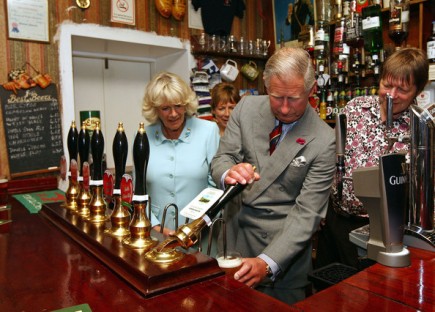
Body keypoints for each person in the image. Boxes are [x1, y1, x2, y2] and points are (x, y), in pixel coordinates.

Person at [211, 47, 336, 305]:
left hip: (282, 259)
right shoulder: (246, 108)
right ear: (267, 87)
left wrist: (268, 263)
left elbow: (307, 214)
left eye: (295, 98)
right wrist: (229, 173)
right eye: (277, 97)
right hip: (232, 244)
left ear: (311, 91)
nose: (285, 108)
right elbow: (221, 159)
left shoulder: (324, 139)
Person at [315, 47, 429, 270]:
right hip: (337, 218)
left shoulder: (420, 128)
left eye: (402, 89)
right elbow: (331, 159)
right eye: (387, 85)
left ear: (418, 90)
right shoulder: (356, 107)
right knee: (326, 289)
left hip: (383, 231)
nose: (391, 95)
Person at [142, 71, 220, 237]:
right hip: (156, 233)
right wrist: (156, 227)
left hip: (200, 233)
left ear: (186, 103)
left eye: (178, 105)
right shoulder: (143, 136)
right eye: (165, 108)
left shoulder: (208, 131)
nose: (173, 114)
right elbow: (138, 190)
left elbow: (216, 186)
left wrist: (197, 224)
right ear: (155, 110)